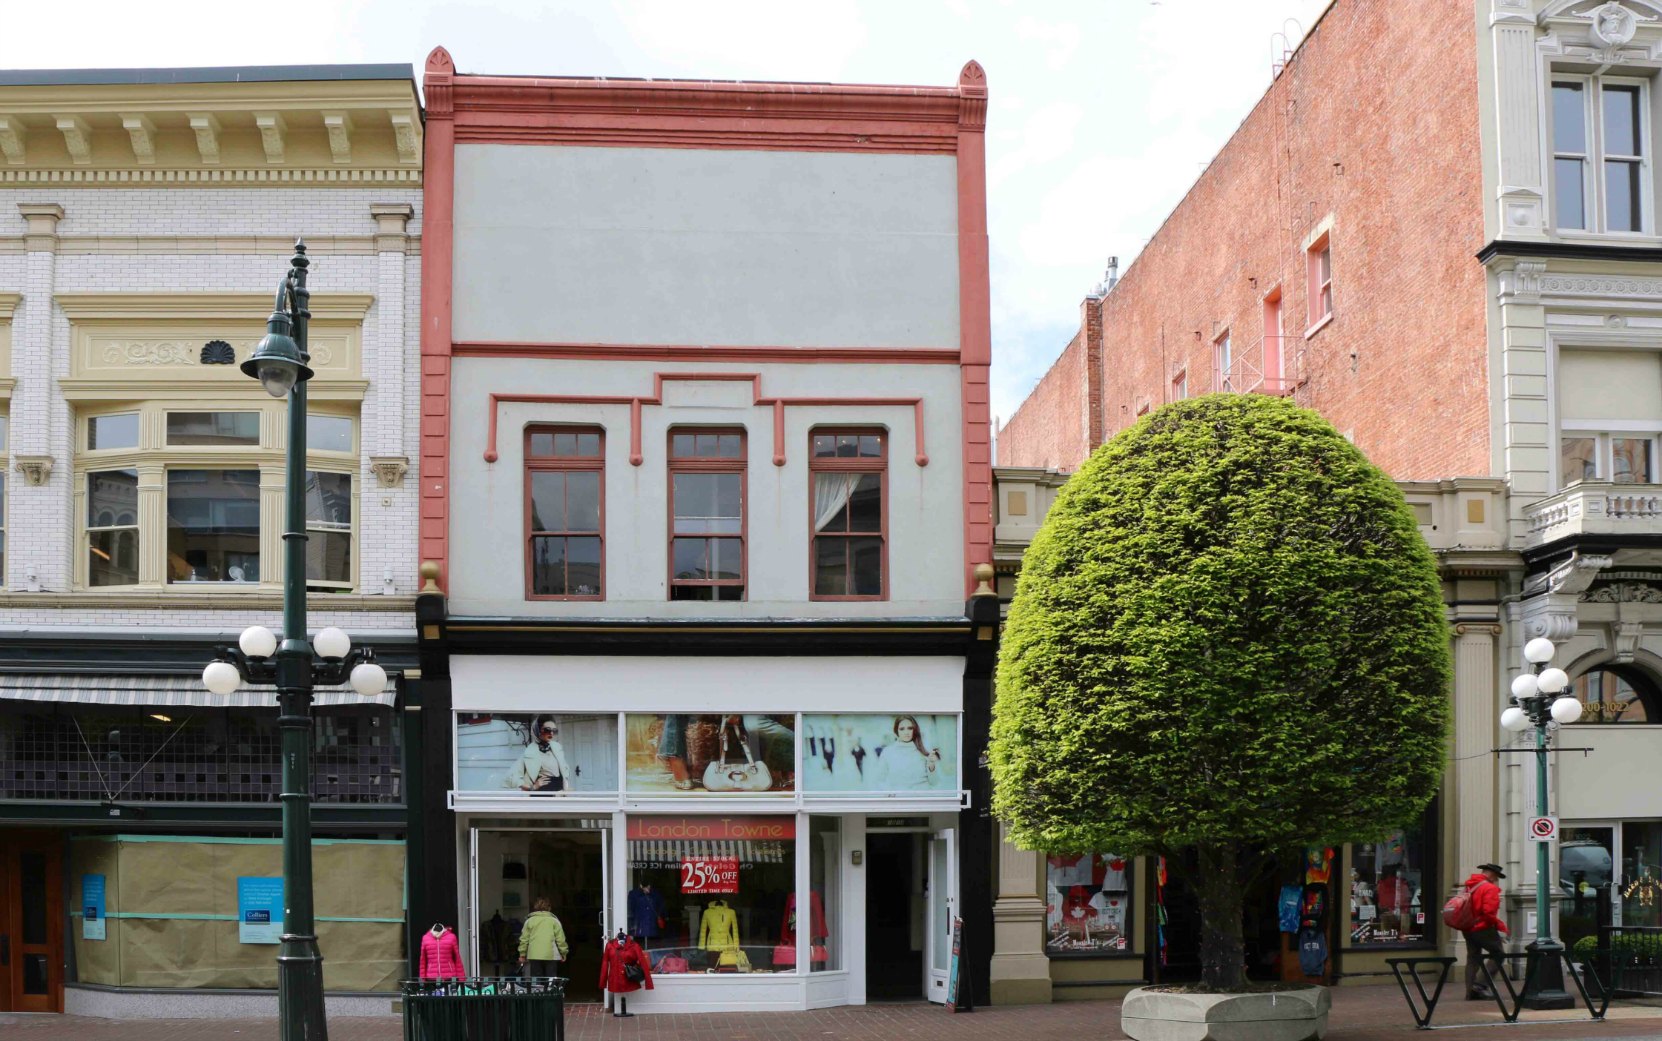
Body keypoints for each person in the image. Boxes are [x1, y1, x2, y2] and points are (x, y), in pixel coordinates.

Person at [1462, 862, 1509, 1000]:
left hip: (1467, 926)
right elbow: (1489, 912)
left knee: (1473, 957)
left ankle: (1470, 992)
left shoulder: (1470, 885)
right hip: (1483, 927)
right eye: (1496, 876)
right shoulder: (1489, 888)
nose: (1496, 879)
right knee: (1498, 954)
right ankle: (1480, 986)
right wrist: (1500, 926)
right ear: (1492, 874)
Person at [874, 715, 942, 790]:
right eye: (902, 729)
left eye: (910, 728)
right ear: (896, 731)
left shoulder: (923, 750)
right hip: (900, 796)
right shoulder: (888, 752)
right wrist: (891, 794)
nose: (906, 732)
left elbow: (934, 782)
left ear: (914, 730)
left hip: (923, 795)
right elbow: (879, 780)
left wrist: (931, 765)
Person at [506, 718, 573, 792]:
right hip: (543, 793)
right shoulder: (530, 752)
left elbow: (565, 773)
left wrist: (566, 789)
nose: (551, 733)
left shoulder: (557, 748)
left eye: (554, 730)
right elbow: (511, 777)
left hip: (559, 793)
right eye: (547, 730)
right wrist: (532, 787)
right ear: (537, 730)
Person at [518, 896, 570, 977]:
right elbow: (560, 939)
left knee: (536, 980)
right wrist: (563, 952)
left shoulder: (529, 921)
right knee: (550, 979)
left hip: (534, 954)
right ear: (549, 907)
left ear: (535, 907)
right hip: (551, 955)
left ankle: (538, 986)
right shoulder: (554, 921)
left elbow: (524, 939)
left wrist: (522, 954)